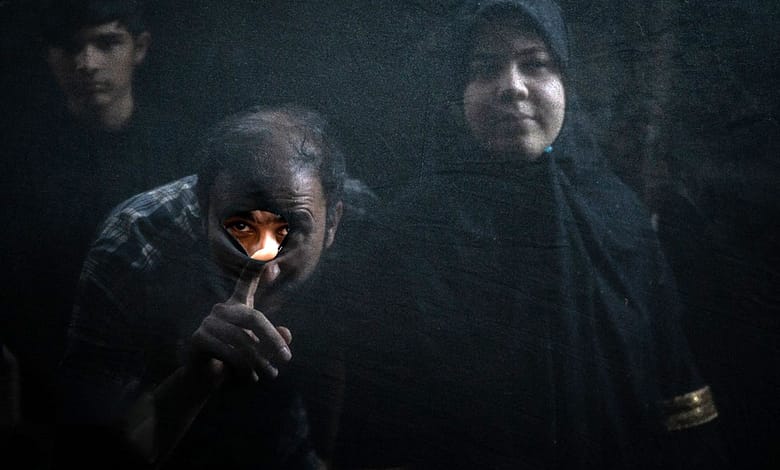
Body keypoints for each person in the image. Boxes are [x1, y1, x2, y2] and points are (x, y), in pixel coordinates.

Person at [332, 1, 725, 469]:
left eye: (535, 64)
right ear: (458, 93)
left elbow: (674, 386)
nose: (512, 87)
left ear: (566, 83)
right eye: (486, 69)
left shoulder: (619, 220)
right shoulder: (408, 232)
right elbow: (381, 419)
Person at [56, 104, 360, 469]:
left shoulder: (368, 232)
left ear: (333, 224)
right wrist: (196, 378)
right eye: (241, 228)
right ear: (202, 210)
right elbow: (90, 451)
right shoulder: (135, 247)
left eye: (290, 231)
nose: (266, 270)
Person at [0, 0, 199, 447]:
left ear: (139, 47)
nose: (87, 63)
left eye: (106, 43)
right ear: (50, 55)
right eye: (70, 47)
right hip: (51, 382)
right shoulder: (18, 161)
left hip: (161, 375)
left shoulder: (181, 151)